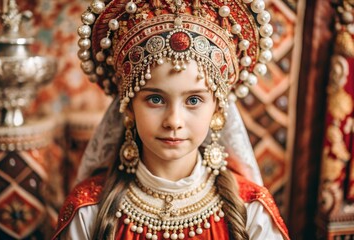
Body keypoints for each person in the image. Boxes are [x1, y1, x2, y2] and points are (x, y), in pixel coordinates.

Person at [53, 0, 290, 239]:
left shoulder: (250, 210)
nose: (174, 121)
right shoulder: (89, 210)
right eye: (156, 99)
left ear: (217, 110)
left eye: (194, 100)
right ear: (129, 108)